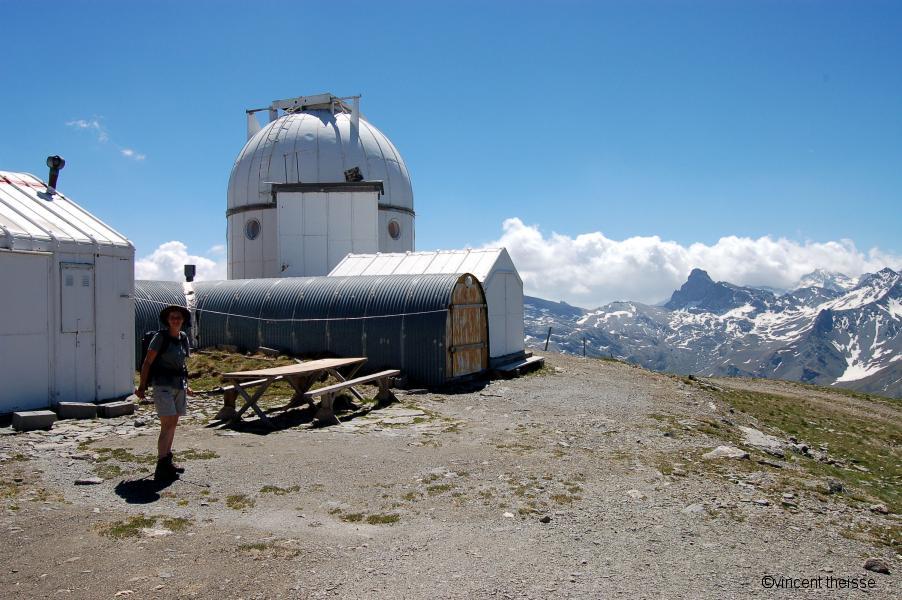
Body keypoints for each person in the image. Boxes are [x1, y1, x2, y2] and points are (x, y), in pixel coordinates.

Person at [135, 305, 193, 482]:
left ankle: (167, 459)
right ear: (168, 320)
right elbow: (147, 362)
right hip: (162, 385)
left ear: (183, 320)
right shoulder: (160, 338)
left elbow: (182, 365)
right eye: (172, 317)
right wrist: (142, 386)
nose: (175, 320)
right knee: (167, 423)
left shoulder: (183, 338)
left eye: (179, 317)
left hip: (178, 385)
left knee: (173, 423)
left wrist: (187, 385)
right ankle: (162, 464)